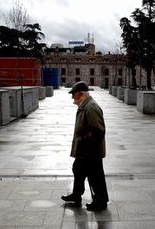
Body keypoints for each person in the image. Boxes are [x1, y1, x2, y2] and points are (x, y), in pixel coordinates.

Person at [61, 81, 109, 211]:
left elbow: (98, 131)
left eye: (73, 94)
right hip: (84, 151)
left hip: (90, 151)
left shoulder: (91, 107)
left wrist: (84, 141)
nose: (72, 97)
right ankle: (77, 195)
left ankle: (101, 201)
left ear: (80, 94)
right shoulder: (84, 106)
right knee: (78, 169)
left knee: (95, 176)